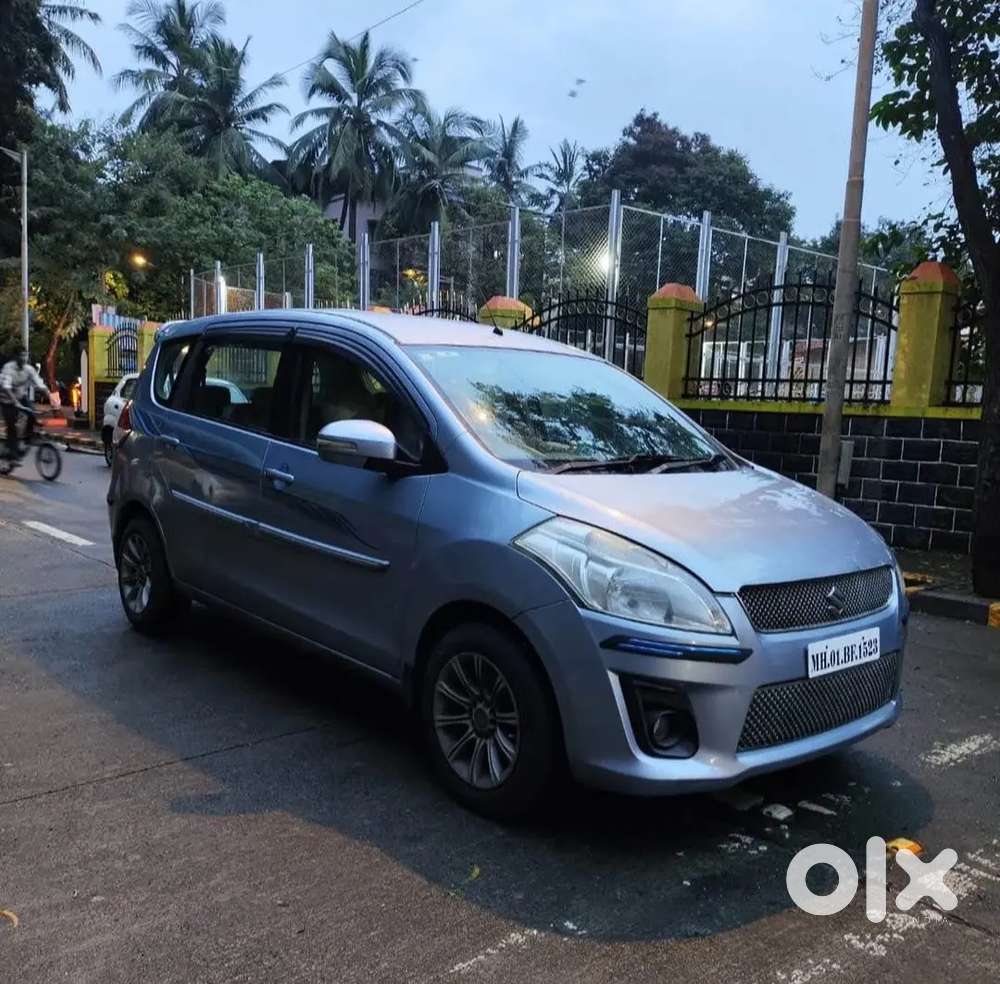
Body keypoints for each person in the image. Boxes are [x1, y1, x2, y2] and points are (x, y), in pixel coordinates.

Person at [0, 350, 48, 460]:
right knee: (12, 425)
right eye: (21, 356)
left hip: (20, 397)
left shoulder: (29, 369)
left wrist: (51, 396)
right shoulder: (8, 368)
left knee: (32, 414)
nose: (24, 358)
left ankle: (27, 438)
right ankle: (12, 451)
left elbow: (39, 383)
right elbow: (6, 387)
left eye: (25, 356)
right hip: (6, 399)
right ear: (16, 357)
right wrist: (15, 402)